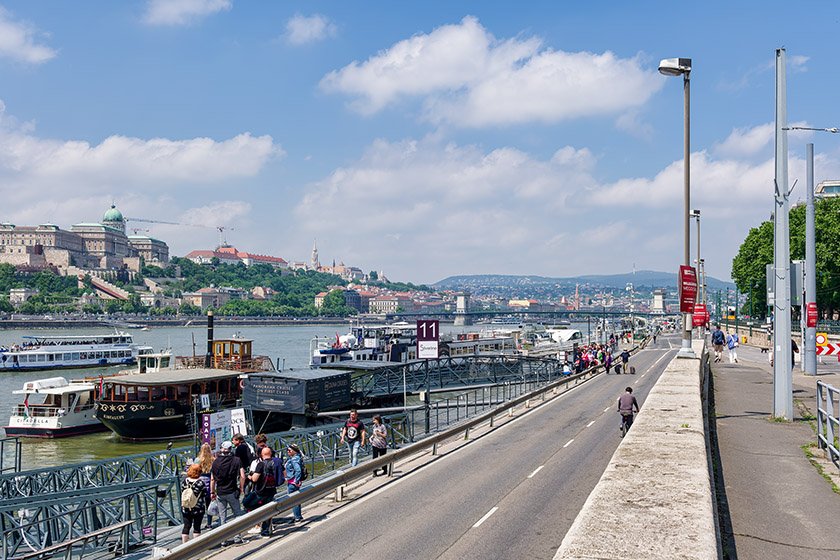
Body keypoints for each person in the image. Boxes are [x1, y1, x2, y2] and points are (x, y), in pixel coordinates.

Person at [210, 441, 245, 544]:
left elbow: (212, 479)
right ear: (231, 448)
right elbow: (242, 476)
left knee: (222, 516)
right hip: (232, 490)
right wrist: (241, 488)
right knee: (237, 514)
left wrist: (212, 492)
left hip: (220, 492)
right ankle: (237, 538)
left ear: (221, 449)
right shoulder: (236, 460)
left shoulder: (215, 462)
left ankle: (223, 540)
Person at [245, 446, 278, 537]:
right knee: (267, 510)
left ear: (262, 454)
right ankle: (266, 532)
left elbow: (255, 479)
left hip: (261, 490)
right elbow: (284, 474)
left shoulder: (261, 464)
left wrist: (250, 477)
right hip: (271, 489)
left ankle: (260, 509)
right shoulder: (275, 462)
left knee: (246, 503)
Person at [181, 463, 207, 543]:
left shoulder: (185, 482)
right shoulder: (200, 483)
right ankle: (195, 545)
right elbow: (205, 494)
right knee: (197, 527)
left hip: (186, 507)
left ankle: (184, 545)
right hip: (198, 508)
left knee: (186, 526)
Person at [193, 443, 215, 529]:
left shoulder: (197, 460)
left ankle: (198, 523)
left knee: (199, 504)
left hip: (200, 481)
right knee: (209, 503)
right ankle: (209, 523)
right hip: (210, 481)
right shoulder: (213, 460)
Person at [285, 444, 304, 522]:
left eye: (289, 450)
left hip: (292, 482)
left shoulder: (294, 459)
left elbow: (298, 470)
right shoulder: (295, 458)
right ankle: (298, 515)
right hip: (293, 481)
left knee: (293, 500)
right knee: (296, 499)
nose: (288, 452)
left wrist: (296, 481)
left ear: (294, 451)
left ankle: (297, 517)